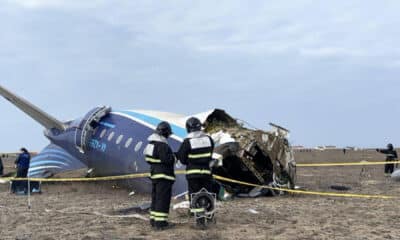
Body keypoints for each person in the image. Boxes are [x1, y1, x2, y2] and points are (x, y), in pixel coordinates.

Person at [176, 117, 215, 226]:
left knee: (196, 196)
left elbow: (182, 160)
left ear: (188, 128)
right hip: (206, 173)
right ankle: (210, 217)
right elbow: (210, 155)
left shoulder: (187, 142)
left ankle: (200, 221)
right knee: (208, 195)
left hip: (193, 174)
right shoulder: (209, 139)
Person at [144, 122, 176, 230]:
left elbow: (148, 159)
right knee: (163, 200)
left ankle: (154, 220)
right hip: (164, 177)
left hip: (155, 175)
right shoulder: (162, 145)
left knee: (156, 199)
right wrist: (174, 157)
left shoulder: (150, 144)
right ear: (165, 133)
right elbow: (168, 160)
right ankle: (161, 223)